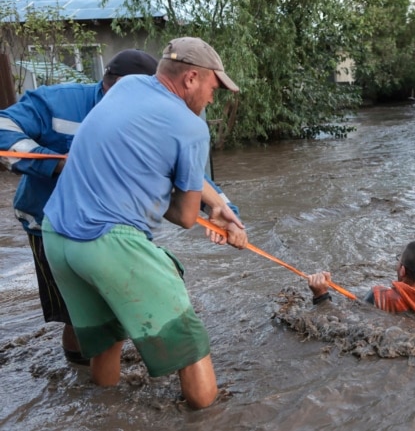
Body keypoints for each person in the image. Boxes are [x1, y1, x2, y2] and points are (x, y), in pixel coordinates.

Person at [41, 36, 248, 410]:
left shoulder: (128, 86)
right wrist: (207, 211)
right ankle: (211, 417)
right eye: (213, 87)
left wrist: (217, 206)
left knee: (108, 341)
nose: (213, 98)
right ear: (190, 79)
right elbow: (184, 217)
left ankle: (109, 415)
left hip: (56, 236)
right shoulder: (191, 127)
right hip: (109, 243)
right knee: (189, 343)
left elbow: (135, 154)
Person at [0, 49, 159, 365]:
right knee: (76, 311)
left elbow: (180, 175)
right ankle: (80, 374)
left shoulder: (149, 115)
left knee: (121, 301)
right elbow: (3, 127)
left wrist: (221, 209)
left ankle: (99, 370)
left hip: (113, 226)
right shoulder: (58, 102)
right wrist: (58, 164)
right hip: (48, 223)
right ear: (110, 86)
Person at [307, 241, 415, 319]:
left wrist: (321, 296)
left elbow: (342, 320)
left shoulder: (378, 297)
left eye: (399, 260)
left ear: (402, 270)